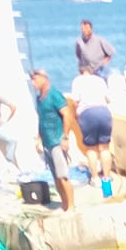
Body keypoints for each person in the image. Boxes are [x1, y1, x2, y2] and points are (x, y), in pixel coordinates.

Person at [30, 68, 73, 212]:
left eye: (35, 79)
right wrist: (38, 138)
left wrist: (65, 137)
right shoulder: (39, 98)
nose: (33, 82)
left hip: (57, 140)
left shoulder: (54, 95)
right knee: (55, 177)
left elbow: (67, 115)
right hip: (47, 141)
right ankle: (64, 204)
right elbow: (41, 119)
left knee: (62, 175)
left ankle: (71, 206)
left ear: (44, 78)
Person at [69, 63, 114, 183]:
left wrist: (75, 115)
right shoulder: (100, 80)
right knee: (105, 148)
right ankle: (107, 177)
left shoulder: (77, 81)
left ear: (80, 70)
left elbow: (75, 101)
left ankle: (95, 179)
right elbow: (109, 99)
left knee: (91, 149)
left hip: (88, 114)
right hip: (104, 113)